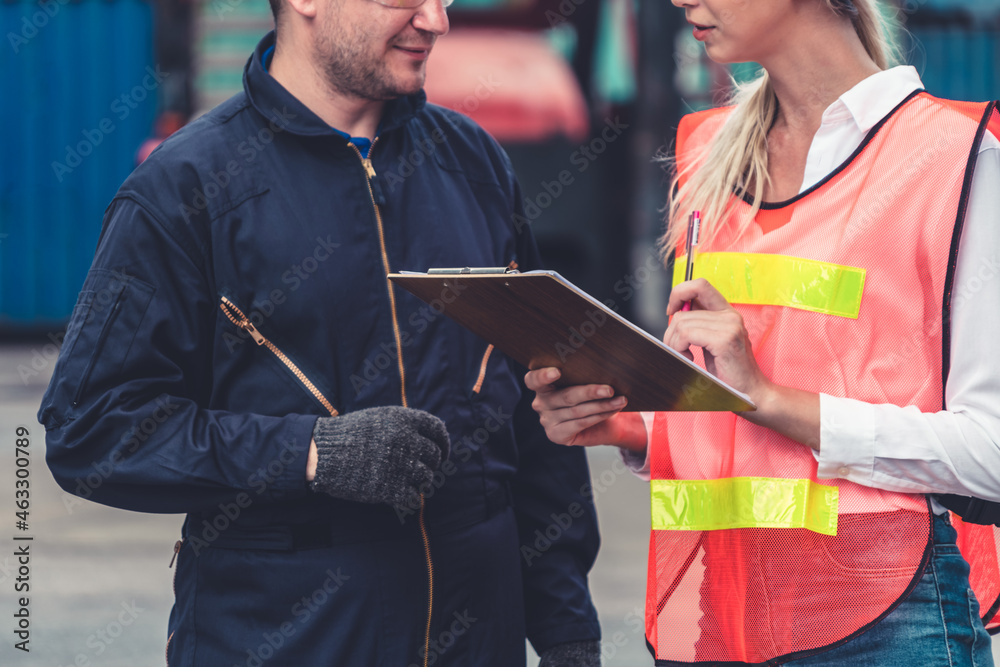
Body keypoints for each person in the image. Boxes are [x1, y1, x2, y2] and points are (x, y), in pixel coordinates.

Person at [37, 0, 604, 664]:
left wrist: (568, 629)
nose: (437, 20)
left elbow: (539, 411)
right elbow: (90, 428)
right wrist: (310, 453)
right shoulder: (184, 190)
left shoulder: (474, 163)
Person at [526, 0, 1000, 664]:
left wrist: (773, 399)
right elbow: (734, 420)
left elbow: (992, 451)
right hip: (717, 618)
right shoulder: (705, 156)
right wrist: (634, 424)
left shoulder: (956, 155)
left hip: (887, 623)